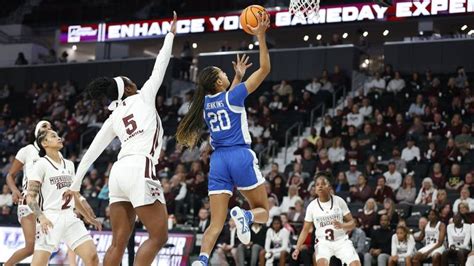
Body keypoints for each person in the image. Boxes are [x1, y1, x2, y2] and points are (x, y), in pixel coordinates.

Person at [64, 13, 177, 266]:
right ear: (126, 89)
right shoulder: (144, 95)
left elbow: (92, 151)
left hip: (117, 173)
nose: (134, 81)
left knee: (118, 242)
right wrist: (170, 35)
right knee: (158, 236)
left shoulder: (114, 116)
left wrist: (77, 183)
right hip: (140, 166)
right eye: (129, 81)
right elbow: (160, 64)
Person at [175, 14, 271, 266]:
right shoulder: (234, 96)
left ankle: (202, 260)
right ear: (219, 82)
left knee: (216, 224)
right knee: (263, 212)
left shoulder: (204, 104)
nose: (228, 75)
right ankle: (246, 217)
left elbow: (227, 100)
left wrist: (237, 76)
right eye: (224, 74)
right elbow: (264, 70)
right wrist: (260, 37)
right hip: (240, 155)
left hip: (218, 162)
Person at [26, 129, 100, 265]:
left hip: (70, 217)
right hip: (50, 218)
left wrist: (88, 218)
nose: (59, 138)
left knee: (92, 257)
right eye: (53, 136)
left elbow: (73, 196)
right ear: (44, 143)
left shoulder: (70, 165)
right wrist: (41, 217)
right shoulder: (41, 165)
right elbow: (30, 197)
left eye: (58, 135)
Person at [4, 121, 51, 266]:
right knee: (30, 247)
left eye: (50, 128)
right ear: (37, 131)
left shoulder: (53, 153)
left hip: (47, 204)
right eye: (44, 126)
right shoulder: (27, 150)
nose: (48, 129)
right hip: (29, 201)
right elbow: (10, 175)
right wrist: (14, 190)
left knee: (44, 247)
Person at [292, 172, 361, 266]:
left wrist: (342, 225)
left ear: (329, 187)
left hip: (341, 241)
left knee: (356, 264)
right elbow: (305, 230)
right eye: (317, 185)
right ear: (315, 189)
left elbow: (352, 223)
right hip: (323, 243)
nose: (320, 186)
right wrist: (297, 248)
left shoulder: (339, 201)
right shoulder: (311, 206)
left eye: (323, 184)